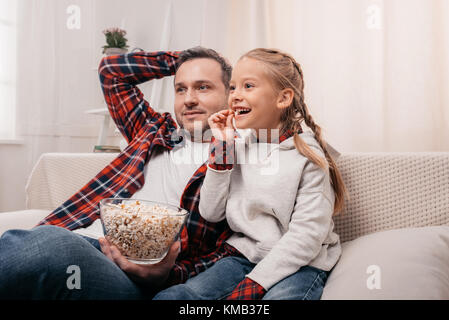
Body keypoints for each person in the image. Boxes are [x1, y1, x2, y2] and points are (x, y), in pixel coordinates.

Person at [0, 47, 242, 299]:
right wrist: (181, 61)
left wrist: (169, 274)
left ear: (230, 94)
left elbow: (233, 252)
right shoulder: (152, 130)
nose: (189, 99)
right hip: (81, 239)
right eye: (181, 88)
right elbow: (111, 71)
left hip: (129, 275)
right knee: (40, 246)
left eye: (203, 87)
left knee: (51, 244)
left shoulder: (237, 157)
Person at [152, 48, 347, 300]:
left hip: (300, 262)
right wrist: (222, 151)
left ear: (283, 98)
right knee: (173, 297)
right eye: (233, 88)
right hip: (243, 256)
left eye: (248, 86)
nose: (235, 96)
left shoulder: (309, 157)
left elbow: (306, 238)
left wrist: (256, 283)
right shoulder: (238, 144)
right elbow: (211, 213)